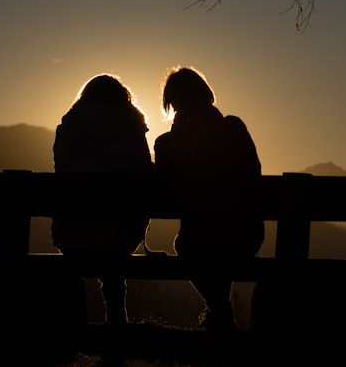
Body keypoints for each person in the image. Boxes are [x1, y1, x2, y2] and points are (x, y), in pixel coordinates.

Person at [153, 66, 264, 332]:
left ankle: (220, 311)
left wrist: (174, 140)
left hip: (200, 242)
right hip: (246, 236)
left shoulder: (168, 144)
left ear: (176, 104)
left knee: (190, 245)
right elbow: (253, 175)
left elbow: (165, 192)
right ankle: (220, 313)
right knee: (213, 242)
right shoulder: (234, 128)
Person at [51, 73, 154, 326]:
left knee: (85, 237)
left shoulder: (68, 126)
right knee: (112, 241)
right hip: (121, 235)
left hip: (71, 234)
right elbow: (144, 175)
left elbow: (61, 168)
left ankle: (72, 322)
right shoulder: (132, 125)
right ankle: (117, 317)